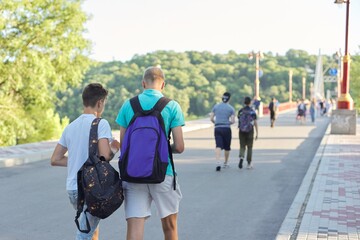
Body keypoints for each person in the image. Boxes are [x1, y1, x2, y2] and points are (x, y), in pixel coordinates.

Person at [116, 66, 185, 240]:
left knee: (134, 228)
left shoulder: (128, 104)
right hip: (164, 173)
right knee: (170, 227)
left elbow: (124, 144)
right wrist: (160, 149)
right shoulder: (172, 106)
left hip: (133, 174)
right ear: (163, 85)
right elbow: (179, 146)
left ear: (143, 83)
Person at [51, 83, 120, 240]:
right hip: (90, 188)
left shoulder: (70, 127)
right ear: (100, 102)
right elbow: (104, 156)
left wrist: (77, 160)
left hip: (73, 189)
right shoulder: (100, 123)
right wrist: (115, 147)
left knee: (90, 227)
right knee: (84, 234)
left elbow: (55, 159)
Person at [210, 92, 235, 171]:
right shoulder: (231, 108)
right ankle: (226, 162)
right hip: (226, 128)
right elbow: (233, 120)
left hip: (217, 128)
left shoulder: (216, 106)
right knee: (227, 147)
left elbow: (211, 118)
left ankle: (218, 162)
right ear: (229, 99)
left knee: (218, 145)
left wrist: (216, 123)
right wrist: (228, 123)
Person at [238, 96, 258, 169]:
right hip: (250, 130)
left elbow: (239, 121)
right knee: (249, 147)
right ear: (250, 102)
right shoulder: (252, 111)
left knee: (242, 146)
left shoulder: (240, 111)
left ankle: (241, 157)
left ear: (244, 102)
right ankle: (249, 163)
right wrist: (257, 133)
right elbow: (255, 122)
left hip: (241, 131)